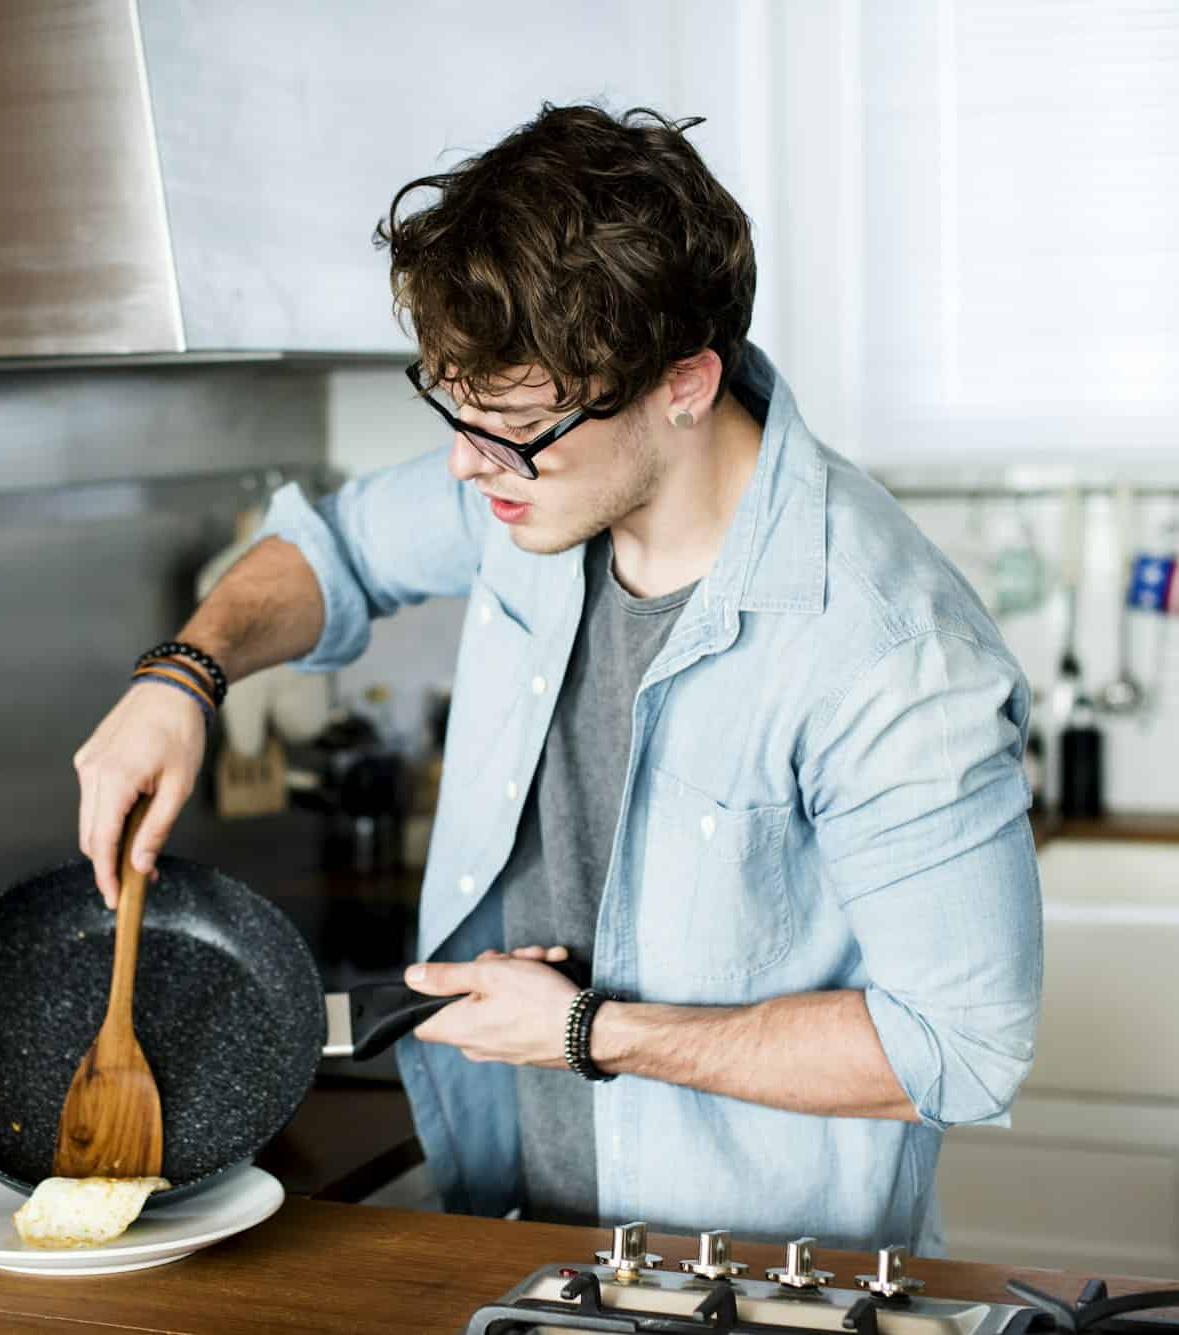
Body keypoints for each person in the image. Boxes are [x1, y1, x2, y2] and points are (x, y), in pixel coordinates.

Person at [71, 104, 1041, 1253]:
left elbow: (956, 1047)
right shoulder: (532, 489)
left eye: (513, 425)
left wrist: (593, 1032)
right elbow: (334, 550)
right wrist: (183, 676)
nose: (463, 462)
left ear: (683, 383)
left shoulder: (886, 652)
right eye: (452, 407)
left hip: (751, 1286)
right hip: (517, 1237)